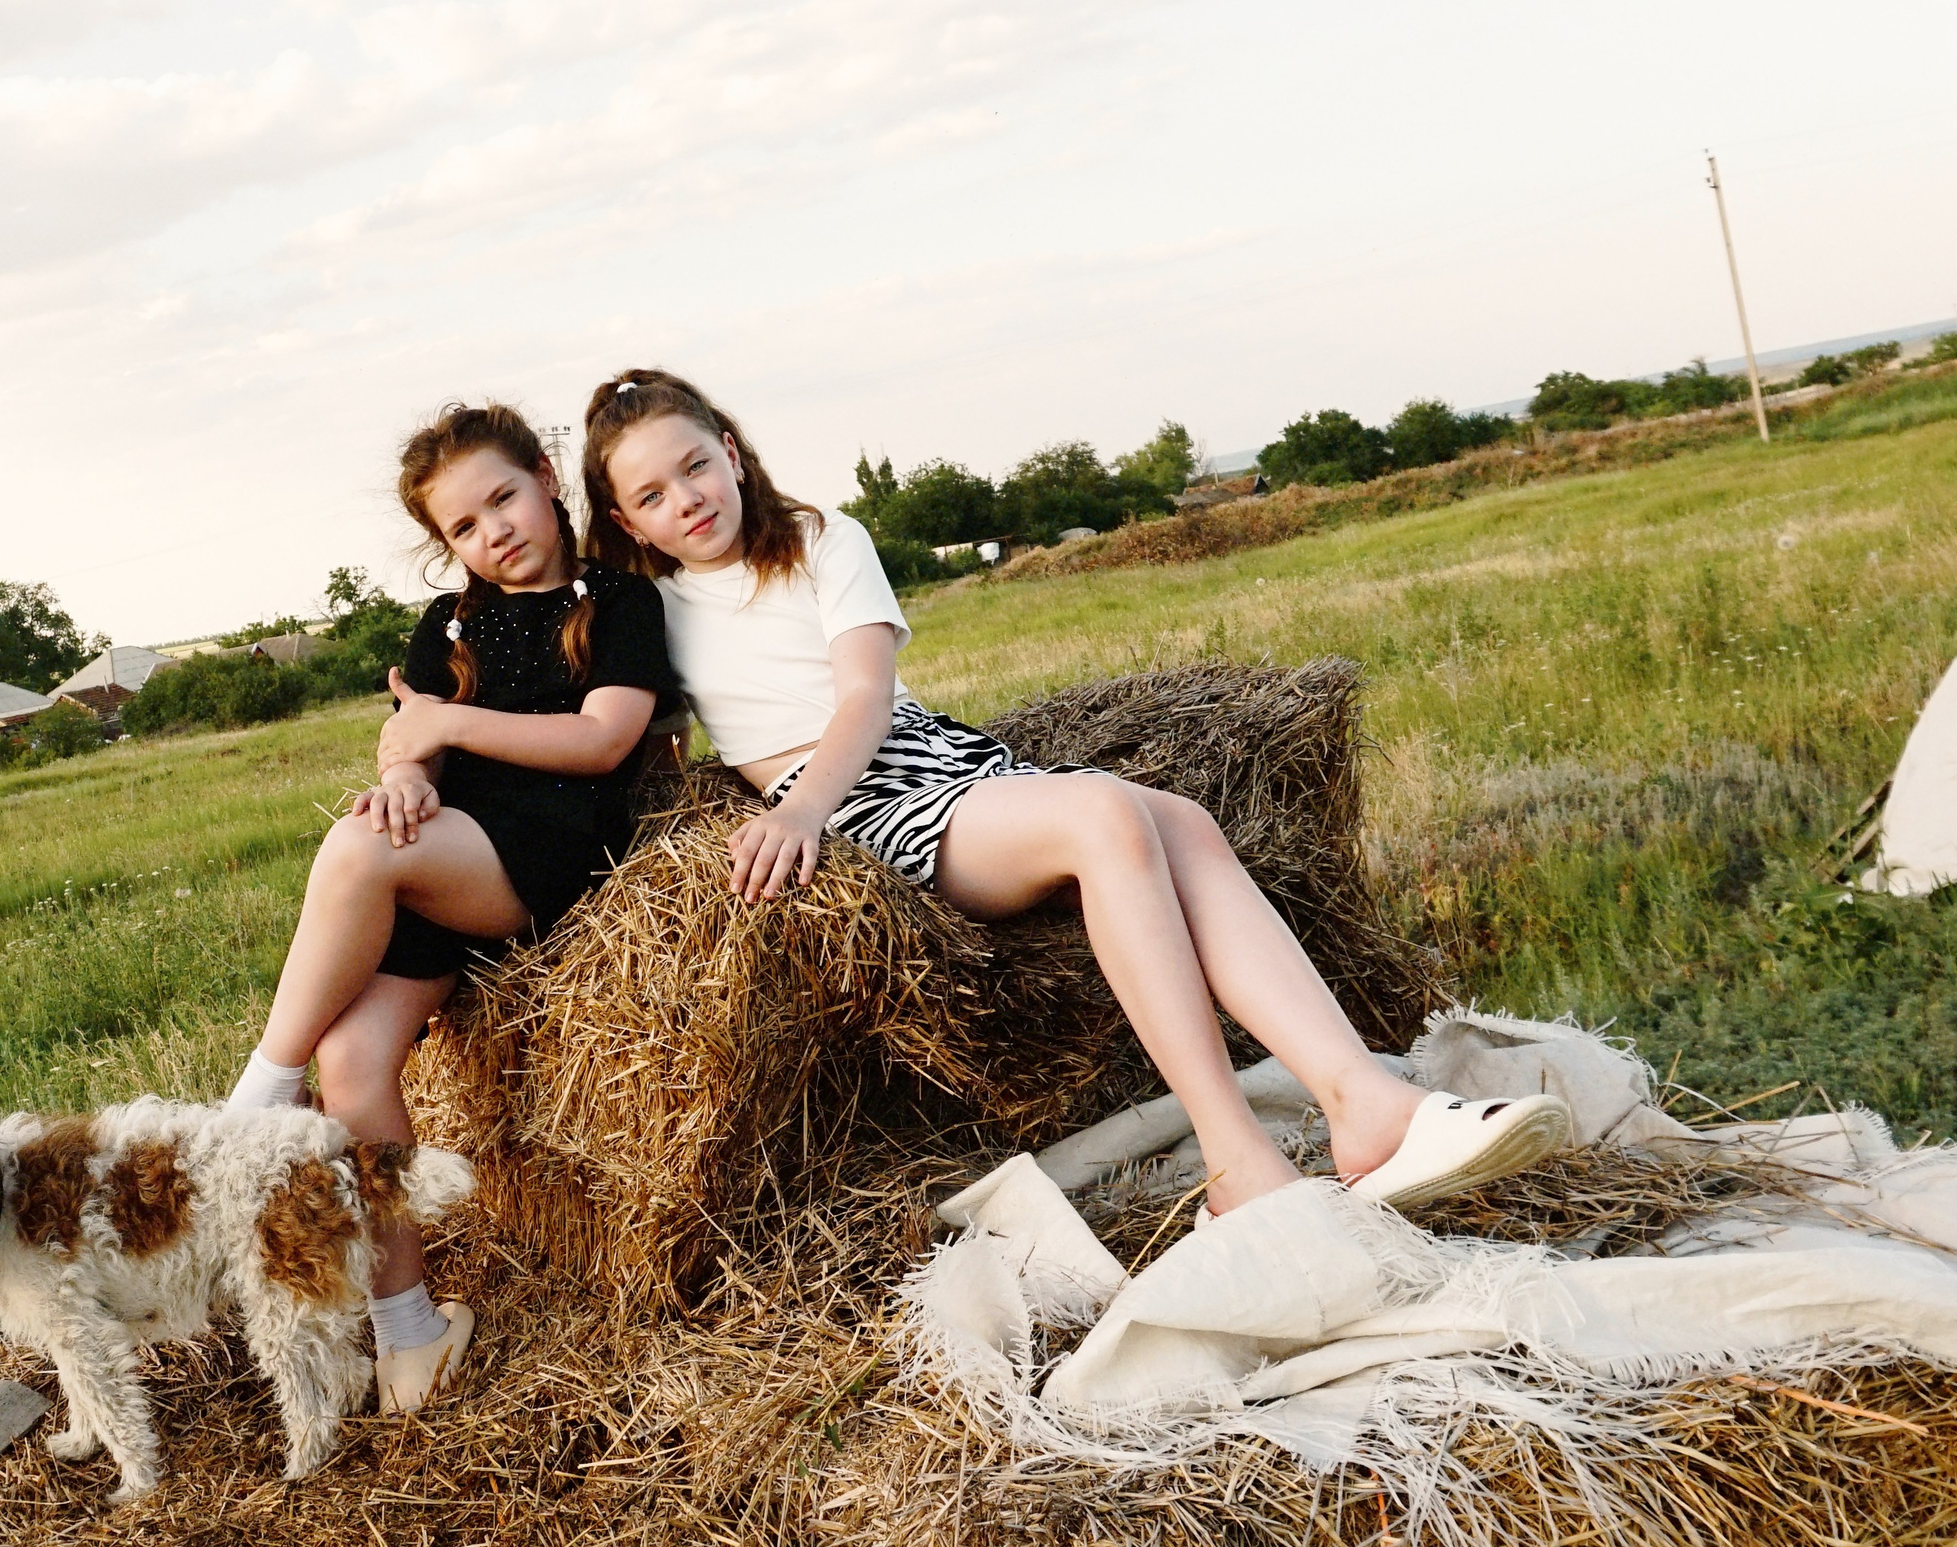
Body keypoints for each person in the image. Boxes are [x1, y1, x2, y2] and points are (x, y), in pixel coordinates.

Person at [577, 368, 1566, 1220]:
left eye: (695, 465)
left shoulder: (824, 537)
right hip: (844, 806)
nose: (687, 500)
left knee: (1178, 820)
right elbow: (618, 733)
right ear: (626, 522)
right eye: (654, 495)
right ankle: (1237, 1160)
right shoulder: (648, 614)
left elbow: (867, 694)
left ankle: (1361, 1101)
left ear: (733, 452)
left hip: (929, 759)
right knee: (1103, 813)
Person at [225, 402, 677, 1407]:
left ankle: (257, 1096)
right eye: (463, 528)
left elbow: (603, 740)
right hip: (445, 859)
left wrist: (442, 730)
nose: (493, 532)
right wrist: (409, 775)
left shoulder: (617, 601)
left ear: (548, 475)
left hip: (546, 857)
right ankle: (410, 1328)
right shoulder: (448, 625)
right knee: (353, 1064)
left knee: (354, 850)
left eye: (503, 499)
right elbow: (405, 740)